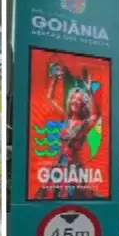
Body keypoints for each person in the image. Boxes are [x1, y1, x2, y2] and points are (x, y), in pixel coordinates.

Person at [41, 66, 100, 199]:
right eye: (73, 98)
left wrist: (90, 89)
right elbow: (50, 98)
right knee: (52, 194)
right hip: (59, 164)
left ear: (83, 104)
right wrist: (55, 79)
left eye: (79, 100)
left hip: (73, 167)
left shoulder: (85, 124)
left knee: (72, 195)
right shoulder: (65, 119)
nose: (75, 101)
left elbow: (95, 115)